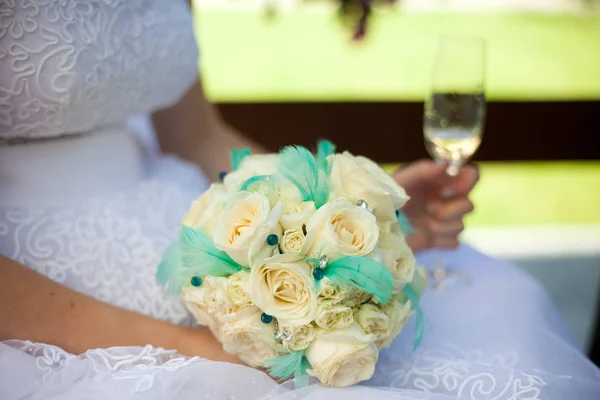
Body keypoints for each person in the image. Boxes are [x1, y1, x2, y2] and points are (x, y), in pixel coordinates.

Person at [0, 1, 598, 399]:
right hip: (52, 313)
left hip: (209, 257)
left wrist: (347, 215)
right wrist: (192, 348)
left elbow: (199, 136)